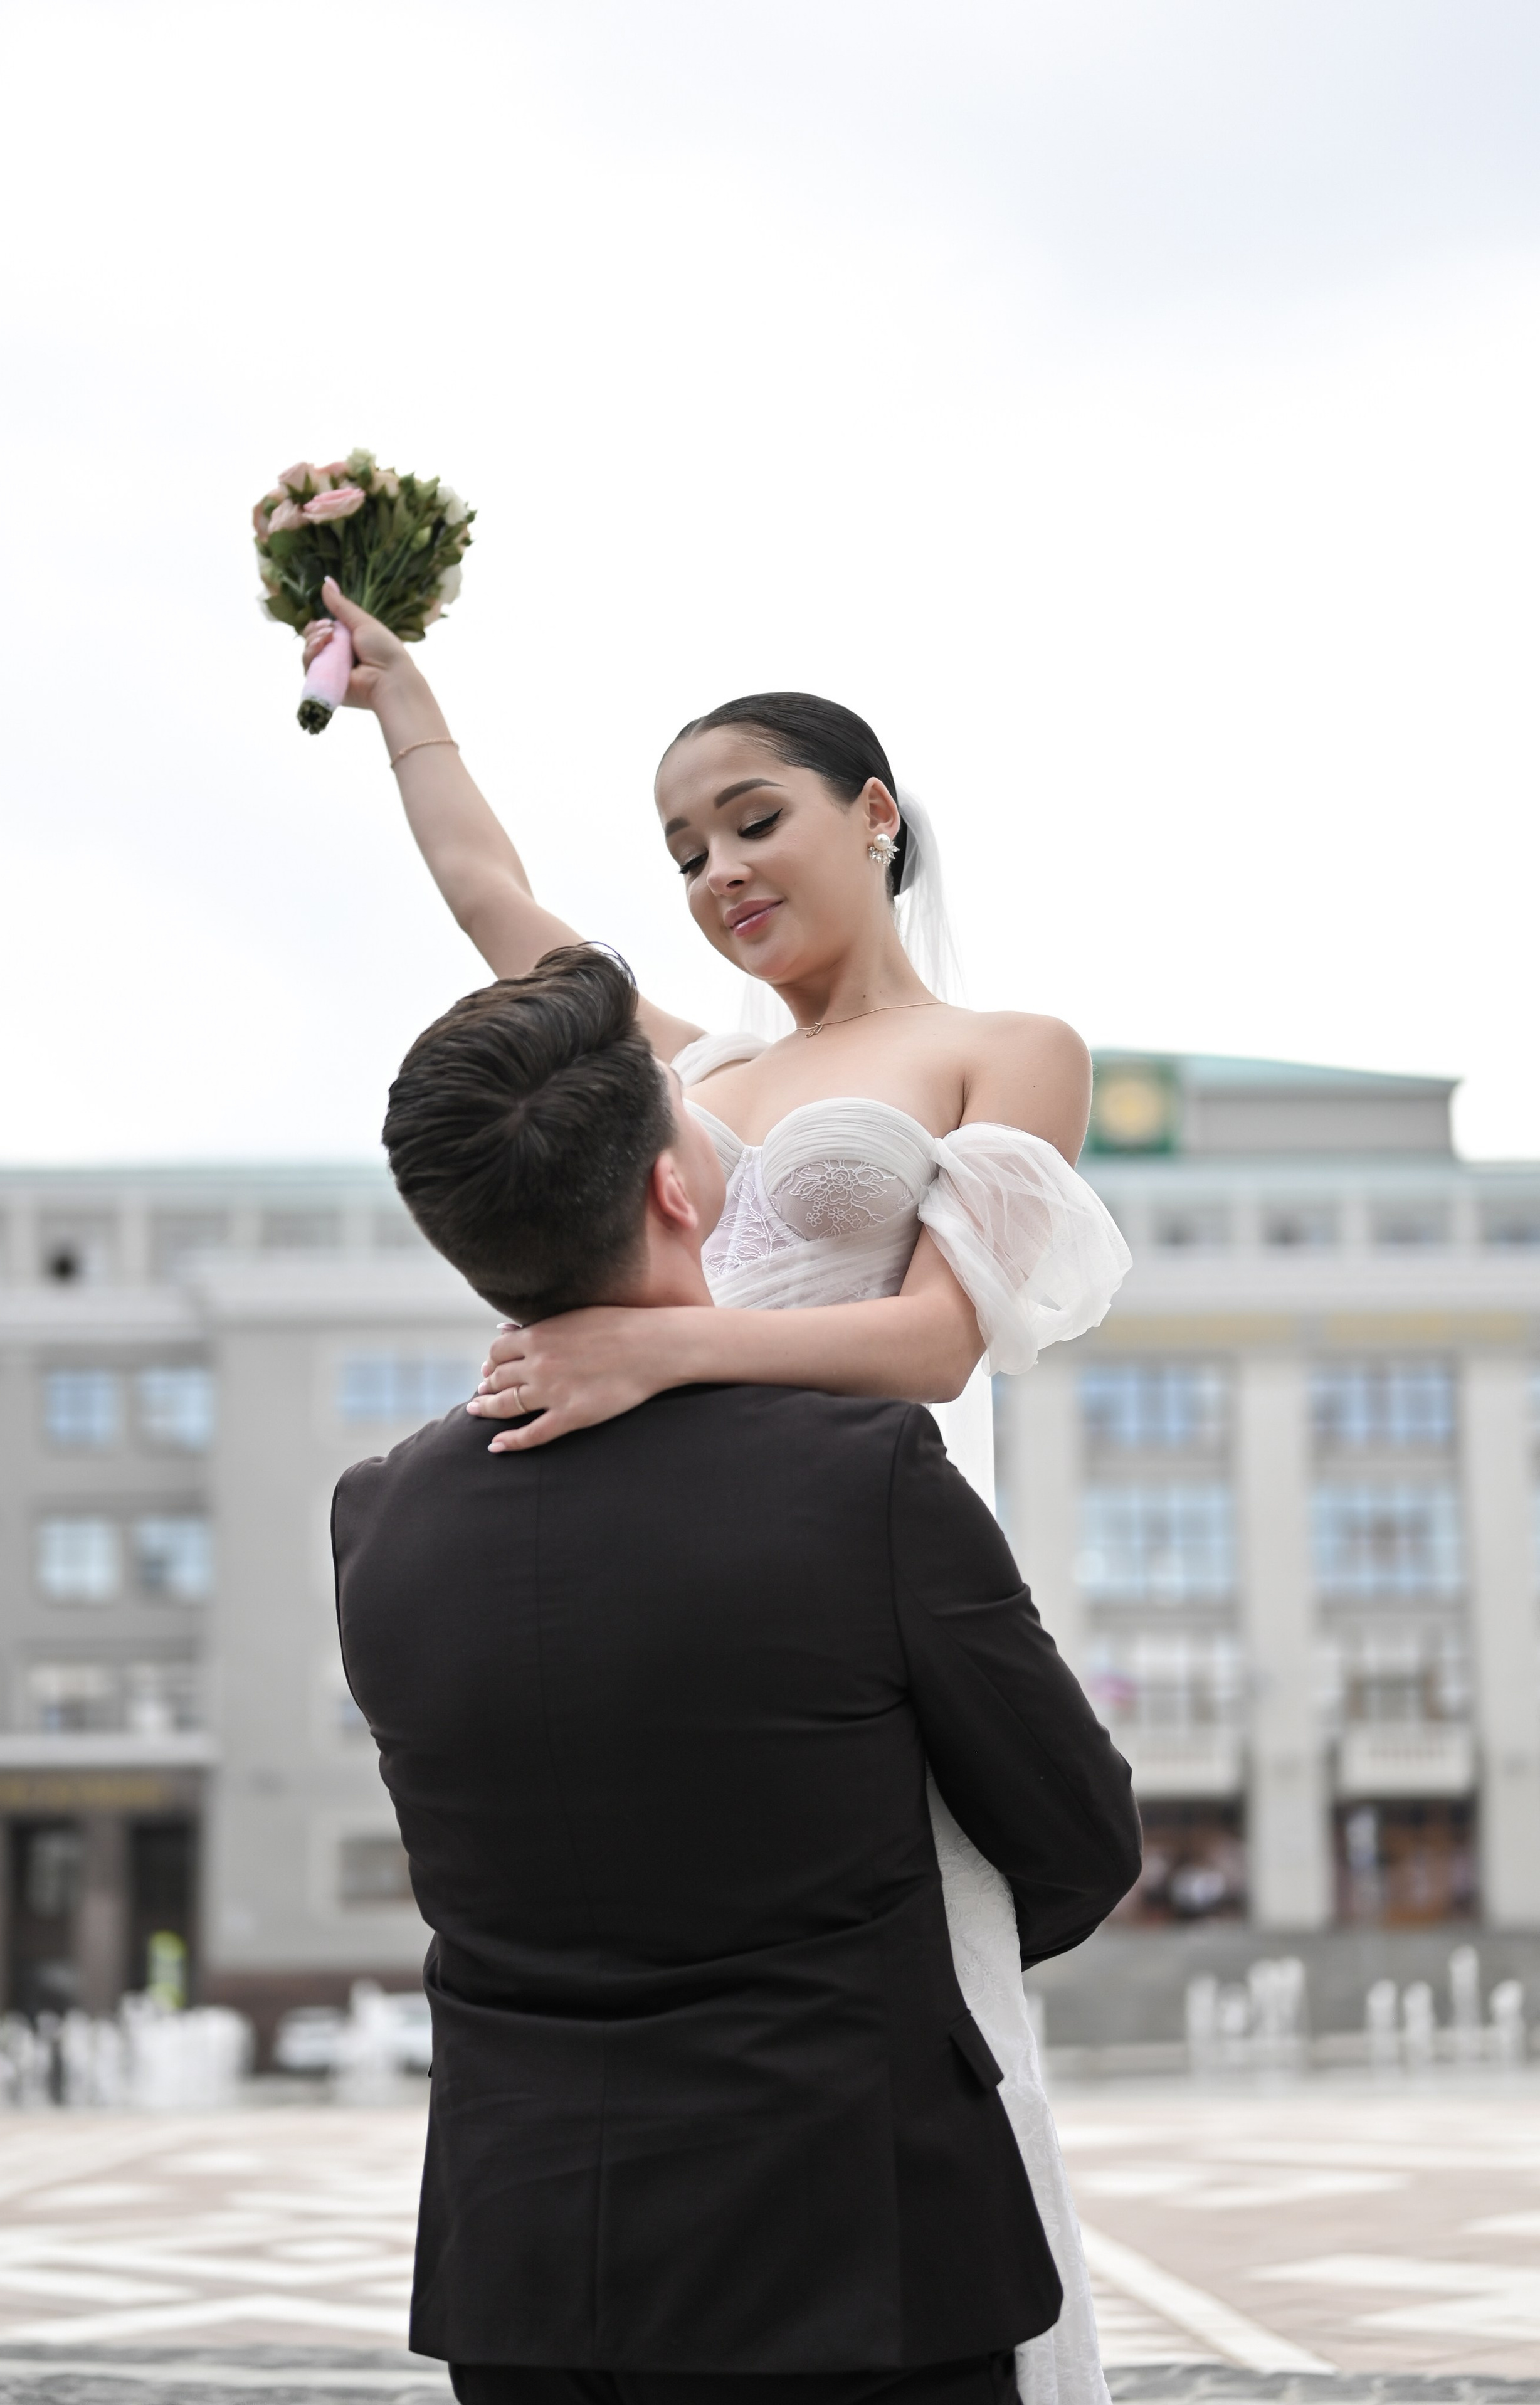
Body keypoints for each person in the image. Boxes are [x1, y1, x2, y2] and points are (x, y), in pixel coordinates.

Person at [305, 582, 1132, 2405]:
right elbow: (494, 901)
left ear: (876, 811)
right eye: (684, 851)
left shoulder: (1014, 1049)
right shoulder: (694, 1071)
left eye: (753, 820)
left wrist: (659, 1351)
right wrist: (404, 701)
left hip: (861, 1584)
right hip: (687, 1591)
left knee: (926, 2031)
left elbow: (936, 1346)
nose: (717, 873)